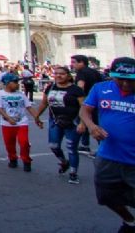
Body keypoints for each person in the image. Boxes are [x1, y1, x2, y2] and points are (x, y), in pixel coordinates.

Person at [80, 57, 135, 233]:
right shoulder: (100, 89)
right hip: (108, 157)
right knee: (106, 197)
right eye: (121, 79)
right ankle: (130, 221)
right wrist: (91, 126)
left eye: (130, 80)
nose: (125, 84)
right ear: (112, 76)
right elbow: (85, 110)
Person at [33, 65, 84, 184]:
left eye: (62, 74)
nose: (58, 76)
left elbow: (84, 107)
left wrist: (82, 123)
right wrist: (37, 116)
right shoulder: (50, 88)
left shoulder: (76, 90)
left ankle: (73, 173)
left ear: (69, 76)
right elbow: (44, 103)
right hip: (55, 121)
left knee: (72, 148)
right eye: (56, 74)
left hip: (72, 122)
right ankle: (64, 162)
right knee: (54, 145)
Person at [0, 73, 40, 172]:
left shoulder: (21, 94)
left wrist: (37, 118)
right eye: (15, 82)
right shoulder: (1, 94)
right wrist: (8, 118)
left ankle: (26, 160)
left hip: (22, 122)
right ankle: (12, 158)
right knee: (9, 143)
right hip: (7, 123)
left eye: (18, 82)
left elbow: (29, 107)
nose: (18, 84)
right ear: (7, 83)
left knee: (24, 142)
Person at [72, 54, 103, 156]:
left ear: (81, 63)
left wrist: (74, 98)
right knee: (95, 122)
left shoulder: (81, 73)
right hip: (98, 101)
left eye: (74, 62)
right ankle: (86, 145)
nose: (72, 65)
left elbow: (80, 87)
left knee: (84, 122)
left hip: (86, 102)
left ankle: (96, 147)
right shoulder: (94, 71)